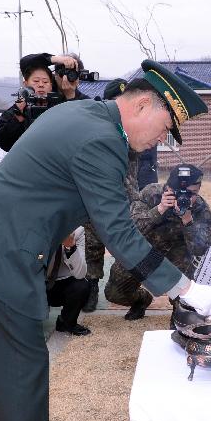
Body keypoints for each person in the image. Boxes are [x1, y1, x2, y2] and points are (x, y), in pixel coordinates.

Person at [0, 59, 211, 421]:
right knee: (16, 366)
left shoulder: (88, 117)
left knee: (27, 360)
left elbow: (113, 206)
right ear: (144, 104)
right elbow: (118, 231)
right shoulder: (98, 139)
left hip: (7, 247)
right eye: (164, 127)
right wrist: (185, 289)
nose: (161, 142)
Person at [105, 164, 211, 320]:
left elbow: (200, 250)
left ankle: (179, 314)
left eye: (192, 193)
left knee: (186, 302)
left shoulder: (200, 208)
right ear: (167, 188)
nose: (186, 198)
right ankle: (141, 300)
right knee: (114, 292)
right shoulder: (151, 194)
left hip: (177, 258)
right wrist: (159, 209)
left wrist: (188, 221)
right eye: (179, 192)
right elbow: (130, 230)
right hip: (144, 252)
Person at [81, 78, 140, 313]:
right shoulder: (94, 124)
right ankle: (92, 285)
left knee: (125, 244)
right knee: (92, 243)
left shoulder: (133, 128)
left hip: (124, 193)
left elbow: (133, 169)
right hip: (95, 194)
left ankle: (131, 290)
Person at [0, 52, 89, 152]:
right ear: (55, 76)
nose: (66, 78)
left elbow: (81, 134)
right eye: (63, 73)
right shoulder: (26, 103)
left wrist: (71, 96)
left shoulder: (85, 103)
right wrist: (57, 59)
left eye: (72, 74)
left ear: (79, 77)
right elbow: (3, 142)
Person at [45, 227, 90, 336]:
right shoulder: (40, 228)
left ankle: (66, 322)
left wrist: (71, 247)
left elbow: (80, 273)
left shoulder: (78, 231)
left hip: (63, 284)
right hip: (37, 282)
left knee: (82, 286)